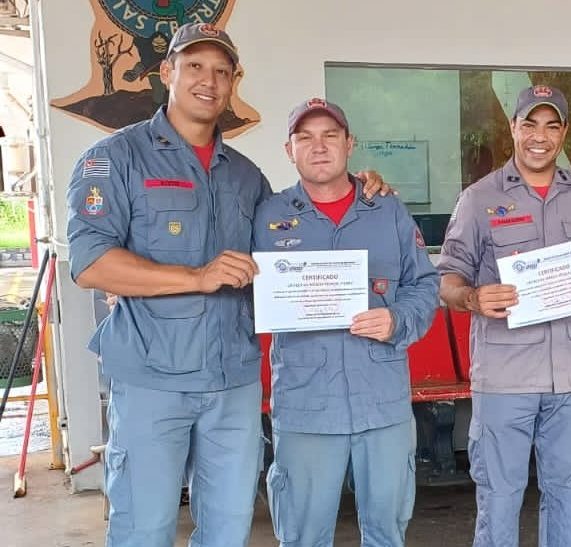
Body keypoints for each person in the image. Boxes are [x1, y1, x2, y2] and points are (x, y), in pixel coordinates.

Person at [65, 23, 387, 547]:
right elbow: (90, 263)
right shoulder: (116, 160)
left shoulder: (245, 176)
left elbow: (293, 244)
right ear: (167, 72)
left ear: (234, 81)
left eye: (222, 71)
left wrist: (361, 185)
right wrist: (196, 276)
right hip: (153, 381)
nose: (208, 81)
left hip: (232, 382)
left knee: (229, 530)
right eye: (194, 66)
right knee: (143, 529)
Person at [438, 85, 571, 546]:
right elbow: (447, 278)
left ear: (563, 134)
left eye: (552, 125)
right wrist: (473, 298)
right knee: (500, 496)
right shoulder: (478, 199)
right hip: (505, 377)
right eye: (530, 124)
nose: (540, 136)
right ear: (514, 128)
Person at [252, 98, 439, 547]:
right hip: (306, 407)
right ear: (288, 149)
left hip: (382, 403)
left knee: (386, 533)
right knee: (303, 536)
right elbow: (235, 283)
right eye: (305, 138)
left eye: (330, 136)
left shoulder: (388, 211)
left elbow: (425, 285)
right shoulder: (266, 216)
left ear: (349, 144)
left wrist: (397, 320)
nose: (319, 147)